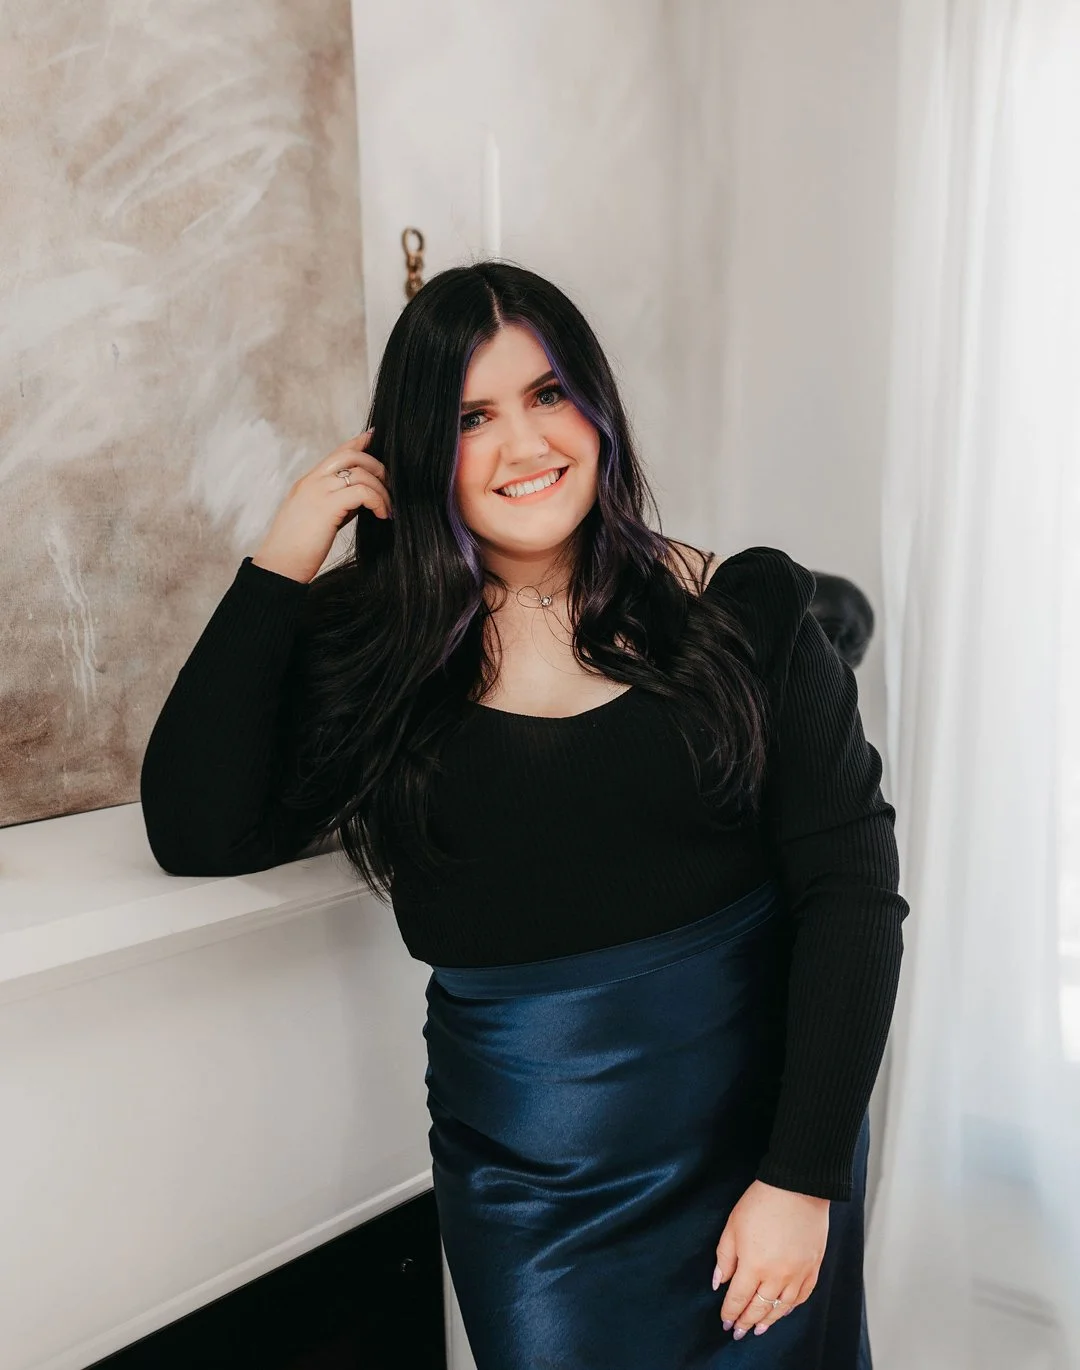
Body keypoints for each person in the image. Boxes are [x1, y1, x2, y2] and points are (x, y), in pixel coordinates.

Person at [140, 262, 909, 1368]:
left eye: (549, 394)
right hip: (531, 1189)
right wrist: (283, 556)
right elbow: (196, 830)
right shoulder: (376, 650)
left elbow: (853, 894)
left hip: (763, 1146)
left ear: (595, 406)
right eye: (472, 417)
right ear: (417, 447)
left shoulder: (748, 607)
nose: (526, 442)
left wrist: (803, 1177)